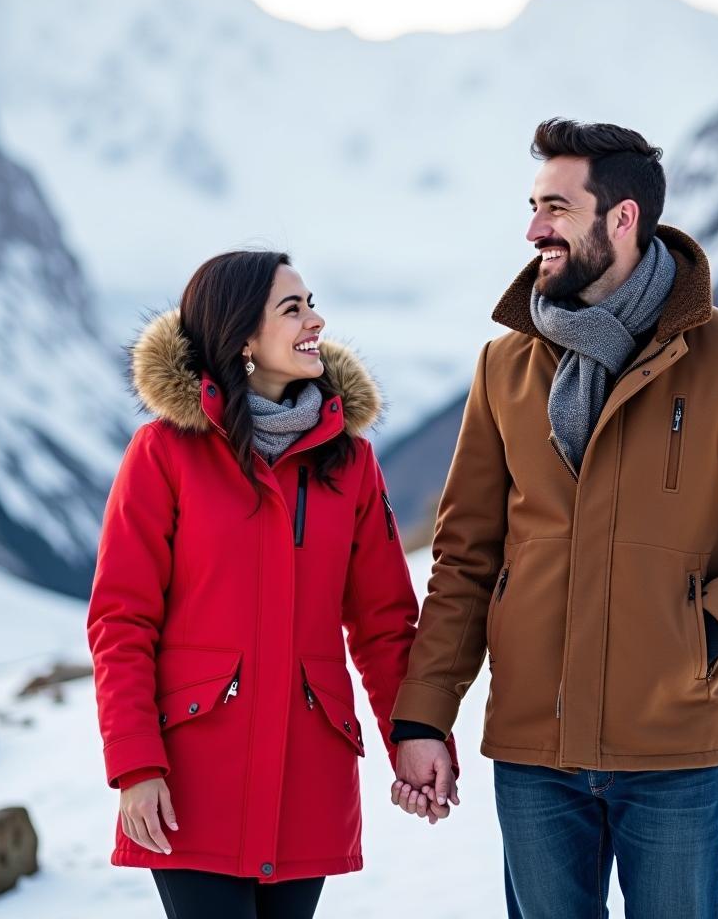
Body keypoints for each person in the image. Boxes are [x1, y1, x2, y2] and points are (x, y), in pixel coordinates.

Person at [387, 118, 718, 917]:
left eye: (556, 208)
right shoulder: (505, 366)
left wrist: (705, 632)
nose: (534, 230)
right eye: (533, 207)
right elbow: (465, 555)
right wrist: (425, 714)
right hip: (533, 748)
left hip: (671, 742)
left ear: (622, 219)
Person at [87, 251, 454, 919]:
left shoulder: (352, 461)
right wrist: (136, 766)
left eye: (311, 302)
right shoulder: (164, 453)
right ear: (243, 337)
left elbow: (383, 624)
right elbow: (121, 621)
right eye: (294, 308)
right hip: (194, 782)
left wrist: (415, 737)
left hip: (307, 779)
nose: (316, 320)